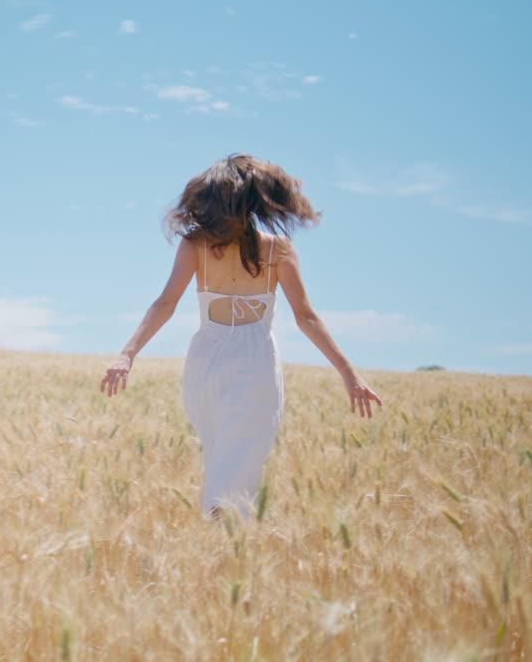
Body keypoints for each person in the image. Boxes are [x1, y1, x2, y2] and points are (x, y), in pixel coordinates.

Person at [99, 153, 382, 519]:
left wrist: (128, 354)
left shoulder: (199, 245)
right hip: (252, 365)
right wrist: (349, 375)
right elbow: (306, 317)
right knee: (235, 464)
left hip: (207, 363)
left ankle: (221, 550)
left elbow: (165, 303)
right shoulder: (271, 248)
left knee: (226, 461)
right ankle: (227, 549)